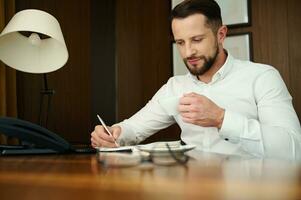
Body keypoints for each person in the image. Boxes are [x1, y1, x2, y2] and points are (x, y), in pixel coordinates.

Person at [91, 0, 301, 159]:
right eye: (180, 42)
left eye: (197, 40)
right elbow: (133, 129)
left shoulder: (262, 77)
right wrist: (112, 134)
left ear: (220, 35)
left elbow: (293, 148)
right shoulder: (175, 87)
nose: (188, 51)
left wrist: (221, 118)